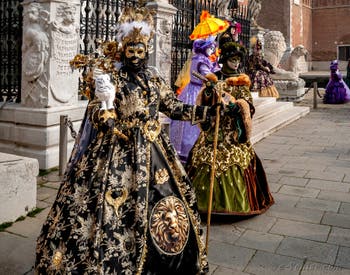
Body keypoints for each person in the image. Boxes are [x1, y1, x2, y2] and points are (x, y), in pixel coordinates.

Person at [35, 7, 216, 274]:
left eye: (140, 50)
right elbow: (96, 110)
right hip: (116, 151)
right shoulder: (113, 80)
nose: (134, 55)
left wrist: (208, 112)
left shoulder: (154, 80)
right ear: (123, 48)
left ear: (146, 49)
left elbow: (173, 107)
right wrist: (106, 119)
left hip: (154, 151)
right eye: (130, 49)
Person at [186, 41, 274, 216]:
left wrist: (238, 108)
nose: (236, 64)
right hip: (213, 132)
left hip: (231, 134)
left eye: (238, 60)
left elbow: (249, 106)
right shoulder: (214, 77)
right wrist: (209, 94)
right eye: (232, 60)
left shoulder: (241, 81)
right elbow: (203, 100)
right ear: (225, 59)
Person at [170, 36, 220, 163]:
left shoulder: (200, 58)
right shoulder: (201, 60)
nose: (212, 50)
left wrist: (215, 65)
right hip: (196, 93)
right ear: (204, 48)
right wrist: (214, 75)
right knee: (194, 119)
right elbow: (206, 74)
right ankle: (190, 150)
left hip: (193, 89)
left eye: (213, 48)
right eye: (210, 48)